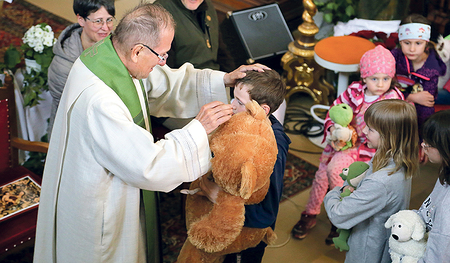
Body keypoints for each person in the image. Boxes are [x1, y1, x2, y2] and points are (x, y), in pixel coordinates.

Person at [33, 3, 268, 263]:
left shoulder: (113, 53)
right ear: (137, 51)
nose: (162, 62)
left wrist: (222, 80)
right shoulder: (100, 100)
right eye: (162, 55)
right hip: (100, 200)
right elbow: (148, 164)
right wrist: (198, 129)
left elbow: (164, 82)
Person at [291, 45, 405, 243]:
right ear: (364, 77)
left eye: (385, 79)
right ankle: (312, 213)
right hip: (348, 145)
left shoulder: (393, 99)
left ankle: (343, 217)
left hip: (375, 152)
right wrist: (334, 130)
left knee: (355, 181)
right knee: (326, 173)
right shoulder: (354, 91)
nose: (380, 84)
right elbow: (335, 111)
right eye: (374, 78)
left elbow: (396, 131)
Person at [197, 69, 291, 263]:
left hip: (247, 232)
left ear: (263, 110)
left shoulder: (273, 146)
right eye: (234, 98)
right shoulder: (243, 122)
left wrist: (221, 200)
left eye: (239, 102)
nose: (231, 106)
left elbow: (268, 208)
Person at [324, 99, 419, 263]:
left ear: (389, 136)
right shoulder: (396, 160)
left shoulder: (381, 182)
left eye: (371, 129)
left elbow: (338, 214)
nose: (364, 131)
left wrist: (334, 192)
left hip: (367, 251)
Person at [47, 0, 116, 137]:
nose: (106, 28)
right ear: (81, 20)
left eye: (109, 20)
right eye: (98, 21)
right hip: (72, 132)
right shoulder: (63, 65)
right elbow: (73, 112)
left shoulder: (114, 46)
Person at [391, 14, 447, 141]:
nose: (412, 48)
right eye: (407, 43)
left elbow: (426, 102)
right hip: (394, 111)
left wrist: (424, 142)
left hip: (418, 118)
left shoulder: (432, 66)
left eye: (418, 43)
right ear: (400, 41)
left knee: (424, 110)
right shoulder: (393, 57)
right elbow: (381, 87)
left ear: (426, 42)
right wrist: (410, 97)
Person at [153, 0, 235, 72]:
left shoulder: (207, 6)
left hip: (214, 77)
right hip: (186, 83)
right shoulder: (160, 13)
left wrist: (233, 80)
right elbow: (166, 73)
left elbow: (222, 53)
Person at [416, 109, 450, 262]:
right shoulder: (445, 169)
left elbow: (439, 253)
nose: (423, 145)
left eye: (430, 143)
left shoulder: (447, 206)